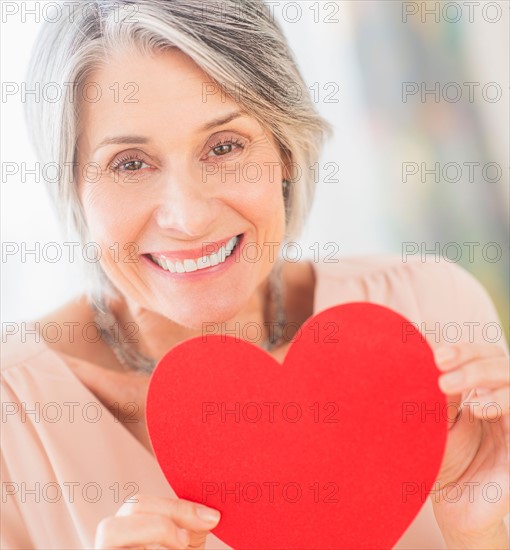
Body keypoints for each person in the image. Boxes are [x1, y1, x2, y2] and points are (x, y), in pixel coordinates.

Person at [1, 1, 508, 549]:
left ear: (285, 149)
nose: (188, 216)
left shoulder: (432, 308)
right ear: (71, 186)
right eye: (129, 163)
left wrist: (479, 533)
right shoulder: (14, 417)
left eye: (224, 147)